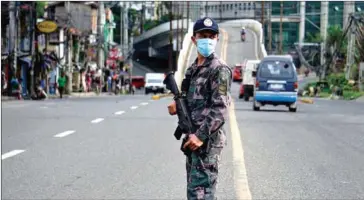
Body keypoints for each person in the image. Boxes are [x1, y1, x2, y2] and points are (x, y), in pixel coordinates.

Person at [169, 17, 232, 200]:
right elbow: (191, 98)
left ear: (217, 39)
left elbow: (220, 108)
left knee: (201, 194)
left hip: (206, 141)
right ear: (194, 39)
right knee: (196, 191)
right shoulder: (193, 69)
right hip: (192, 137)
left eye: (211, 36)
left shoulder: (219, 69)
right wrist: (178, 106)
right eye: (203, 36)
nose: (207, 40)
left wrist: (200, 136)